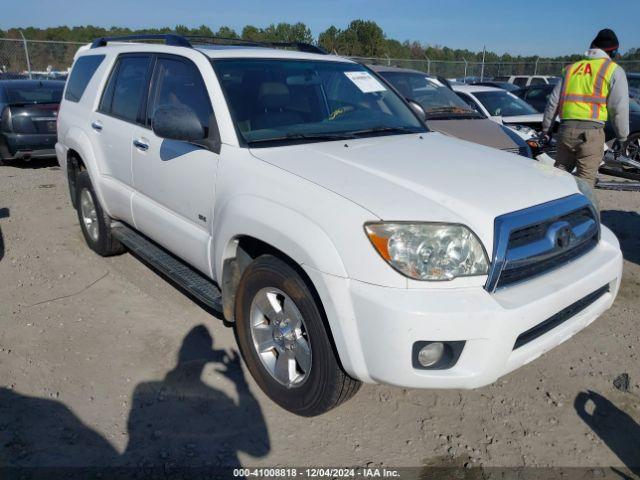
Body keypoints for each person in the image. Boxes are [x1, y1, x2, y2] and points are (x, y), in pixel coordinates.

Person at [542, 28, 630, 184]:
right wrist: (622, 137)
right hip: (591, 133)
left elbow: (553, 102)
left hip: (565, 131)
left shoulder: (571, 69)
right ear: (613, 51)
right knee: (585, 182)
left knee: (558, 177)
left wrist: (546, 130)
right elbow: (619, 109)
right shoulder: (613, 70)